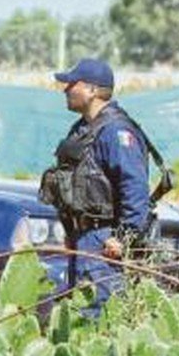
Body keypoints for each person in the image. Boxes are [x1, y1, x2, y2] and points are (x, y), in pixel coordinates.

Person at [39, 57, 155, 319]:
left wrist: (124, 237)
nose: (66, 90)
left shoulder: (116, 132)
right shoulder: (81, 130)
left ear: (92, 90)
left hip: (104, 241)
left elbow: (134, 188)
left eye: (72, 84)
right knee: (78, 316)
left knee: (98, 318)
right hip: (81, 237)